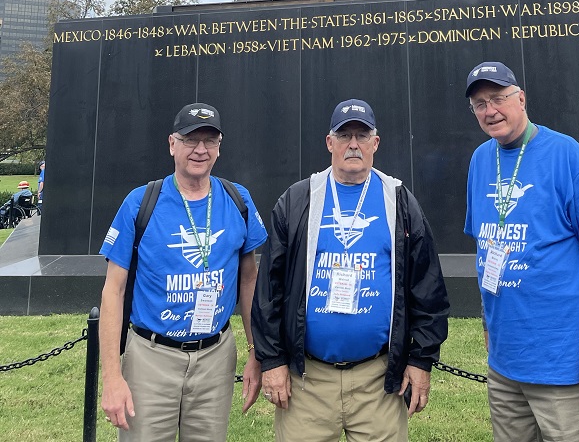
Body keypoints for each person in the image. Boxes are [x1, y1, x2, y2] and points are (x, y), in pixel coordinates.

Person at [252, 98, 449, 442]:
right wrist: (272, 362)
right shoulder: (298, 200)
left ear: (376, 143)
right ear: (330, 143)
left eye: (362, 135)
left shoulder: (399, 201)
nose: (353, 144)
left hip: (378, 382)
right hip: (308, 382)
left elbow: (427, 286)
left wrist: (421, 361)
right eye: (344, 136)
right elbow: (270, 290)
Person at [464, 61, 579, 442]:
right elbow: (485, 248)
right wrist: (488, 324)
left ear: (521, 99)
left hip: (564, 365)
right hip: (505, 365)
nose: (490, 110)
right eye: (480, 103)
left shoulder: (565, 154)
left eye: (499, 98)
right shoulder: (479, 160)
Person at [99, 103, 267, 441]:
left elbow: (249, 280)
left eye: (210, 140)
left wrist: (255, 351)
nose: (200, 150)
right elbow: (113, 292)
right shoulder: (140, 203)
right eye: (191, 140)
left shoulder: (239, 200)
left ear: (219, 148)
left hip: (215, 358)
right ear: (172, 144)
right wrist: (113, 378)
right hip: (151, 357)